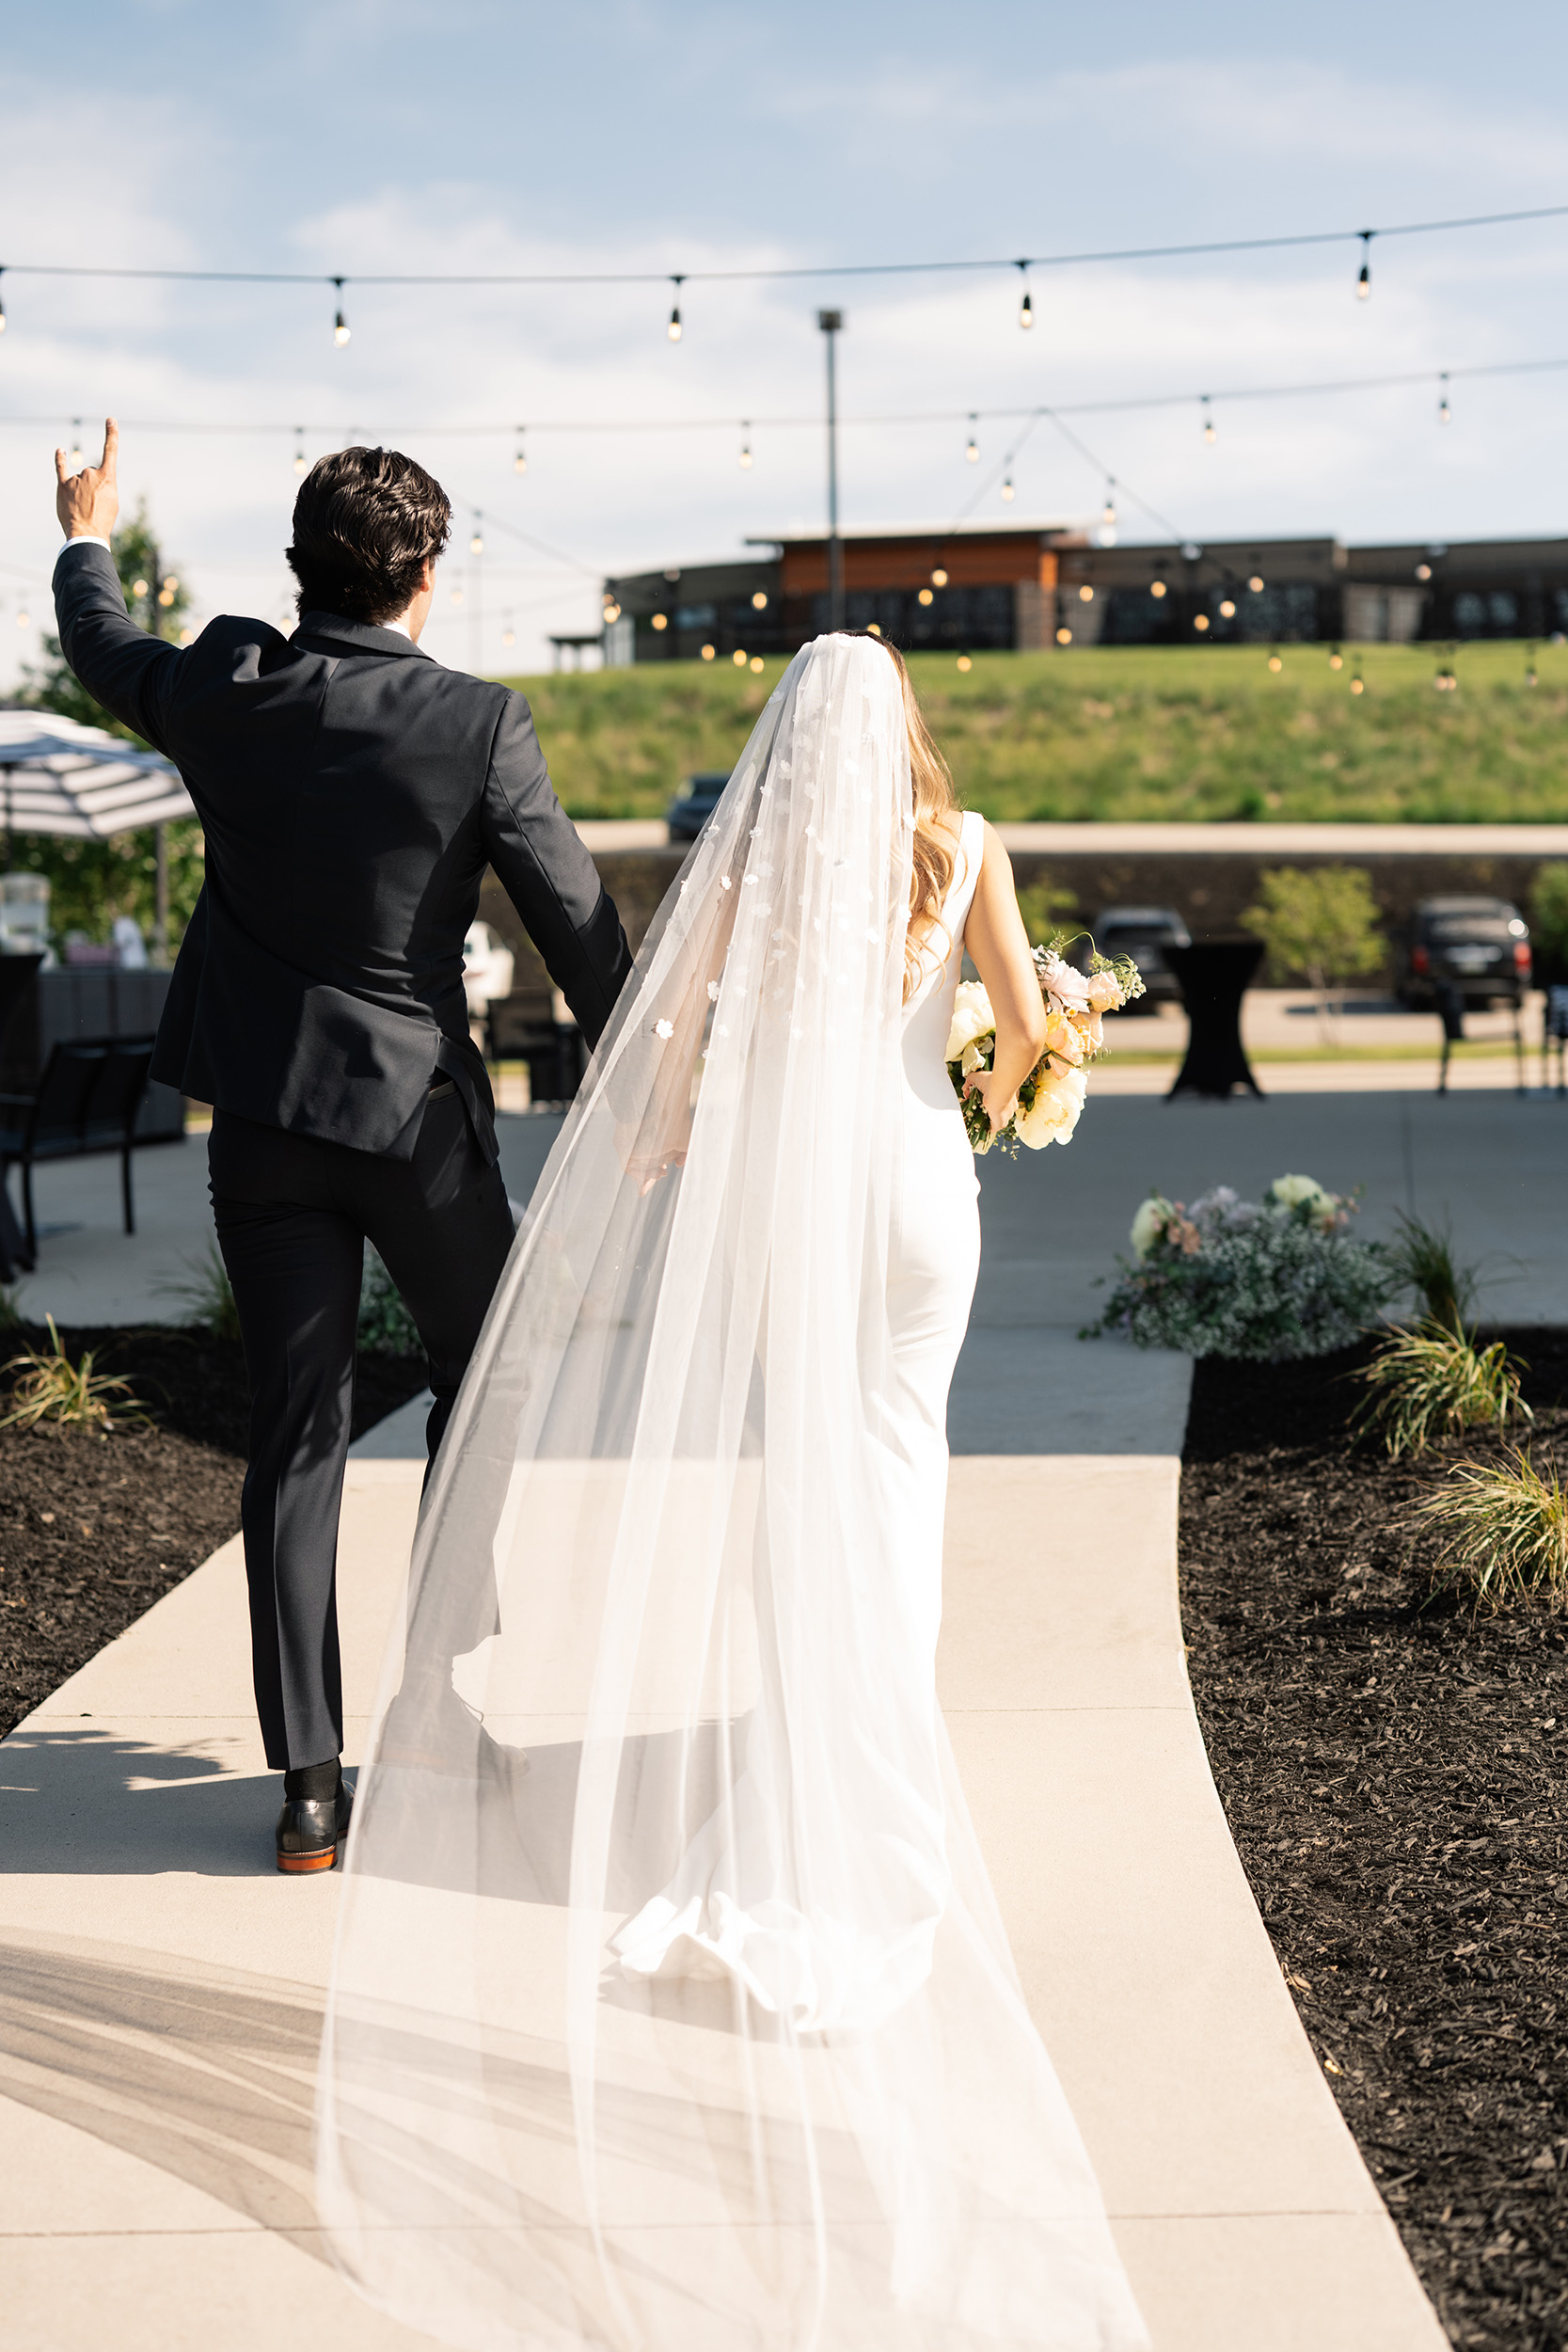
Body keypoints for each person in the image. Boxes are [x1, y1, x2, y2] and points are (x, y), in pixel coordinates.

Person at [319, 632, 1148, 2350]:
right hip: (921, 1205)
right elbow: (1005, 1050)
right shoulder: (971, 847)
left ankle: (804, 1798)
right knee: (898, 1478)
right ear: (906, 729)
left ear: (784, 740)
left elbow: (669, 1087)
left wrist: (670, 1130)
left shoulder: (749, 873)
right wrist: (1037, 1053)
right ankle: (877, 1788)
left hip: (797, 1221)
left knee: (803, 1497)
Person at [51, 422, 632, 1874]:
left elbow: (103, 645)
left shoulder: (227, 684)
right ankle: (434, 1712)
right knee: (485, 1392)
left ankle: (309, 1792)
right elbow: (584, 935)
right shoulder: (480, 724)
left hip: (259, 1129)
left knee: (293, 1437)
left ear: (302, 567)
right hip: (416, 1134)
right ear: (427, 571)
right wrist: (652, 1081)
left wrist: (85, 530)